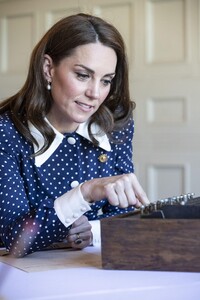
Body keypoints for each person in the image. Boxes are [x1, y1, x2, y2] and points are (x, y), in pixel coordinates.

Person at [0, 13, 149, 257]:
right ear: (48, 69)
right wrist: (86, 192)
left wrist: (94, 231)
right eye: (82, 75)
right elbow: (15, 238)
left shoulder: (116, 125)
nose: (95, 93)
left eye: (106, 80)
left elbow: (120, 213)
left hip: (89, 269)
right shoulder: (6, 132)